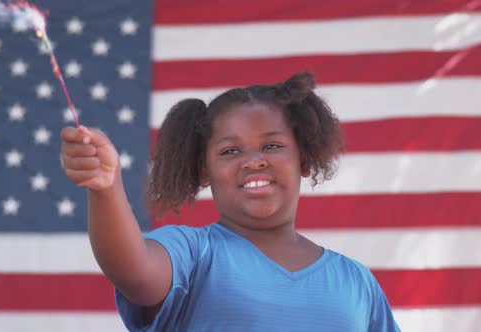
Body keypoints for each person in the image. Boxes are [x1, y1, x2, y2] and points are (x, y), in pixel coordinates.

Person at [60, 72, 401, 331]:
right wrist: (105, 189)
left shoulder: (356, 281)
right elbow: (133, 271)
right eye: (230, 151)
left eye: (271, 146)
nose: (253, 161)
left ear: (305, 158)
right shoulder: (193, 253)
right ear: (204, 170)